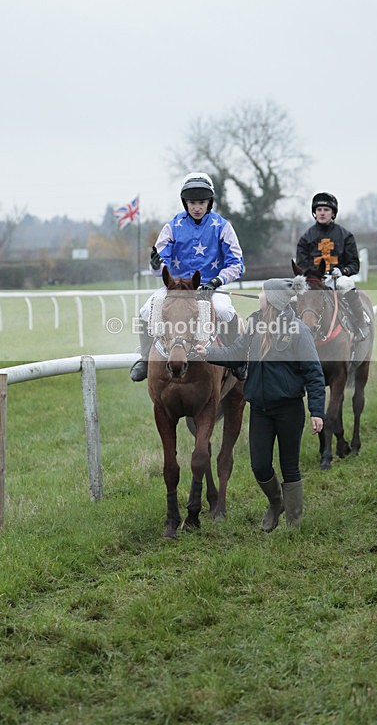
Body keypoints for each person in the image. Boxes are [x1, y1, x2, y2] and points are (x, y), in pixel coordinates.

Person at [196, 278, 325, 531]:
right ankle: (277, 502)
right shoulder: (254, 322)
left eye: (263, 292)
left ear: (274, 299)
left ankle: (294, 525)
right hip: (260, 410)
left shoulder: (298, 330)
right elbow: (235, 353)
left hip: (289, 410)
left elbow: (313, 372)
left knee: (290, 466)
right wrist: (207, 352)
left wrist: (317, 411)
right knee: (260, 465)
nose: (260, 295)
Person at [130, 172, 246, 381]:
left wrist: (217, 281)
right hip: (176, 289)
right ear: (185, 202)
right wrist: (156, 264)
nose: (197, 207)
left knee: (224, 310)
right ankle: (146, 358)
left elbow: (237, 264)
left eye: (201, 202)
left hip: (210, 287)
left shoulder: (222, 226)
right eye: (192, 202)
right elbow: (159, 263)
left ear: (209, 202)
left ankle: (236, 360)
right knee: (146, 310)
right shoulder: (173, 226)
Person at [296, 192, 370, 340]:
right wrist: (313, 276)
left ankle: (360, 323)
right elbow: (301, 264)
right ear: (314, 213)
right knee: (293, 297)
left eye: (326, 210)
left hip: (337, 279)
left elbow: (354, 264)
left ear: (333, 213)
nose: (322, 213)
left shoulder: (345, 235)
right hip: (315, 281)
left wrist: (342, 271)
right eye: (319, 210)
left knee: (346, 283)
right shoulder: (306, 238)